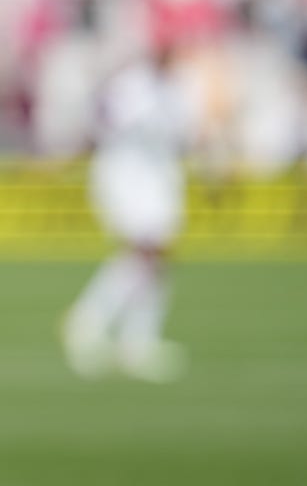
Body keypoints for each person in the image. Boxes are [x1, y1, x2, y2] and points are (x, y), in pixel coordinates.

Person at [60, 34, 195, 384]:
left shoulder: (177, 88)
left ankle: (132, 339)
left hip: (158, 178)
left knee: (156, 257)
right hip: (124, 174)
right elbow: (101, 124)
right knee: (144, 251)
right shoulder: (131, 85)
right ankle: (94, 325)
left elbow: (183, 137)